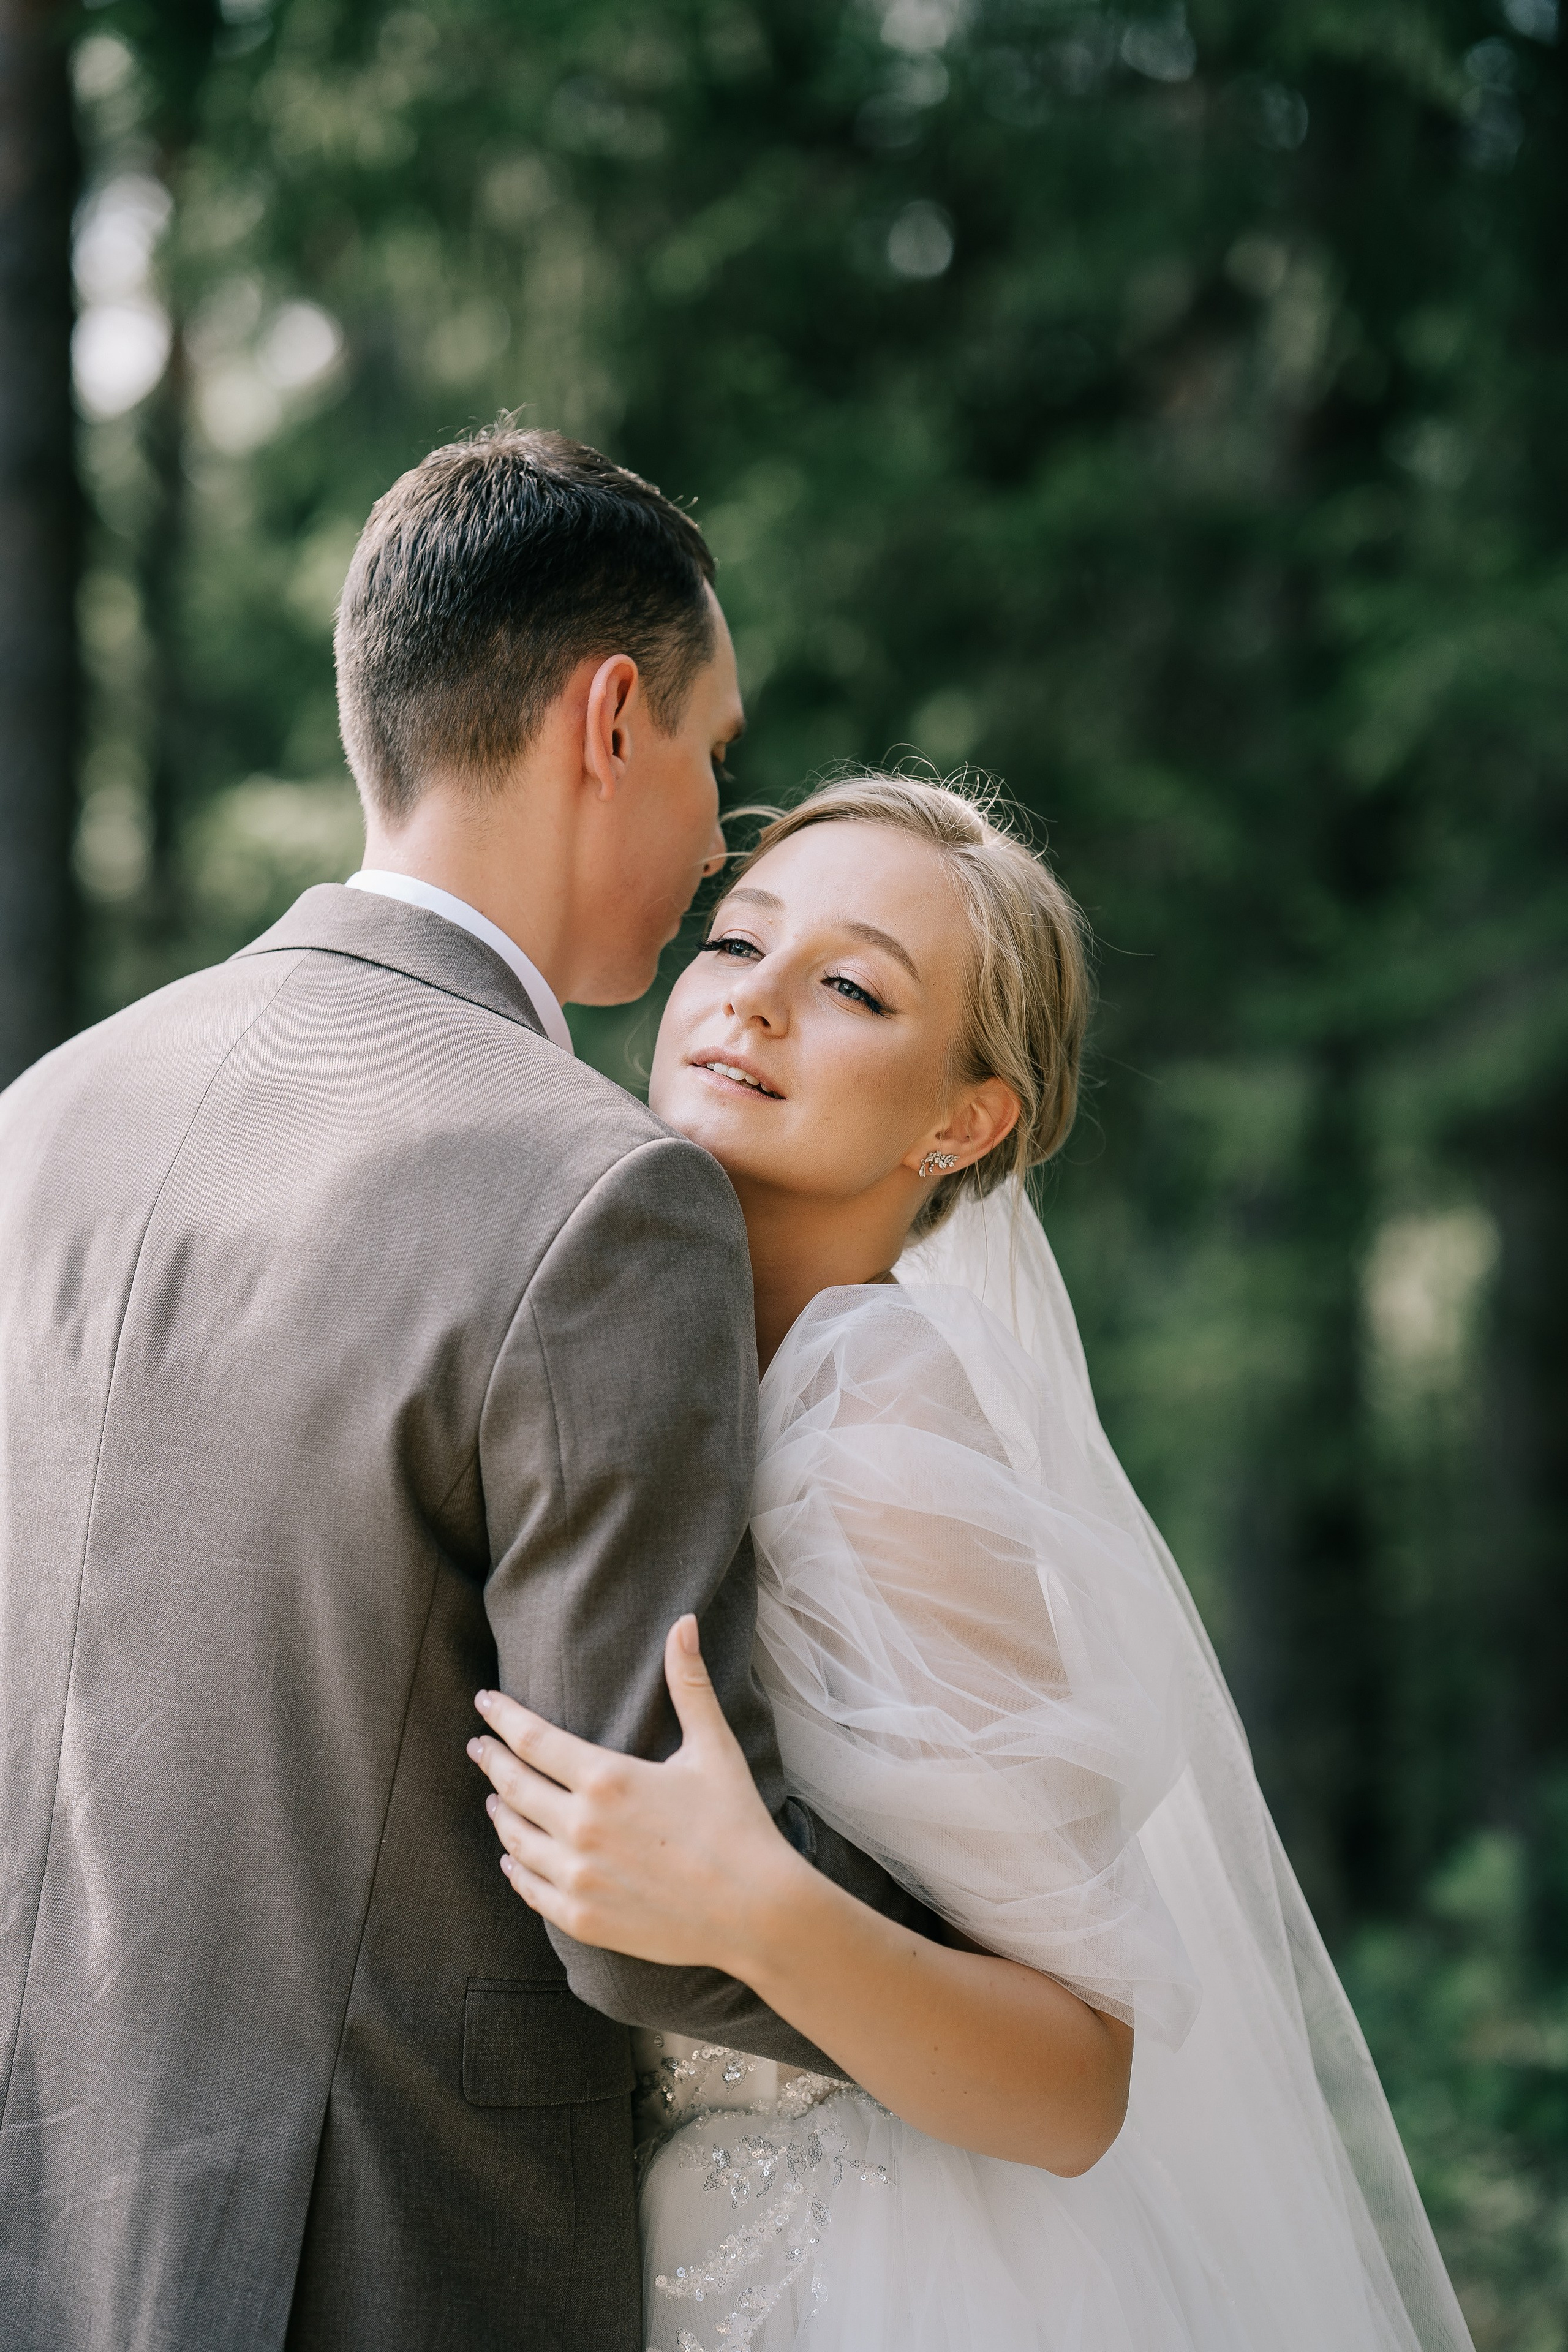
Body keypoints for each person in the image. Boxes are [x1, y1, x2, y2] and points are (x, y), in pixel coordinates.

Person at [0, 428, 928, 2351]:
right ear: (611, 720)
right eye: (713, 756)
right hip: (388, 2264)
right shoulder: (595, 1193)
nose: (712, 837)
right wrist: (1006, 1995)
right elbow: (637, 1880)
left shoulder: (40, 1120)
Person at [470, 774, 1476, 2352]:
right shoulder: (620, 1343)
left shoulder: (874, 1408)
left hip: (878, 2277)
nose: (754, 1005)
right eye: (734, 944)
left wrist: (752, 1905)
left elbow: (1077, 2077)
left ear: (964, 1118)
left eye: (853, 985)